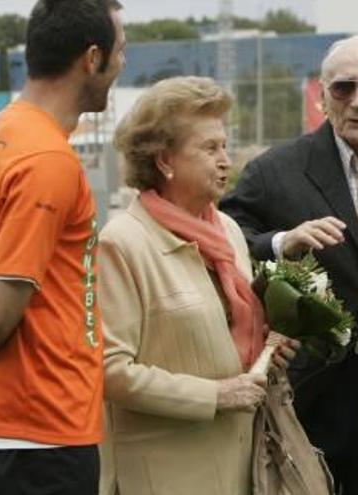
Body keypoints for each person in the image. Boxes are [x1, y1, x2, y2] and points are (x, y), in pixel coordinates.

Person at [220, 34, 358, 494]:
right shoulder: (274, 170)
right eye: (343, 88)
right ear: (321, 95)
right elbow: (223, 239)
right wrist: (282, 242)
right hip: (307, 404)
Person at [0, 0, 126, 493]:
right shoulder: (46, 159)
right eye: (120, 52)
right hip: (41, 438)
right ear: (92, 57)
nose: (122, 65)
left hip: (6, 440)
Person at [97, 76, 297, 495]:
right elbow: (111, 372)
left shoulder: (226, 229)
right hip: (165, 476)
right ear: (165, 160)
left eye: (225, 145)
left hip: (244, 467)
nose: (226, 160)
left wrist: (268, 350)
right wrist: (216, 395)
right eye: (210, 148)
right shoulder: (122, 242)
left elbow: (229, 339)